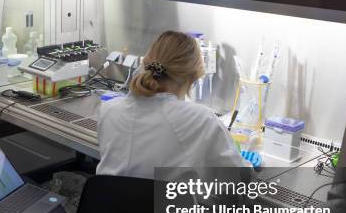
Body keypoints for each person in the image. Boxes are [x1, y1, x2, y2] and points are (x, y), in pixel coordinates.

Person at [97, 30, 243, 178]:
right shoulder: (201, 119)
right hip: (162, 201)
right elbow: (237, 180)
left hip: (105, 200)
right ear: (192, 78)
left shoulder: (108, 110)